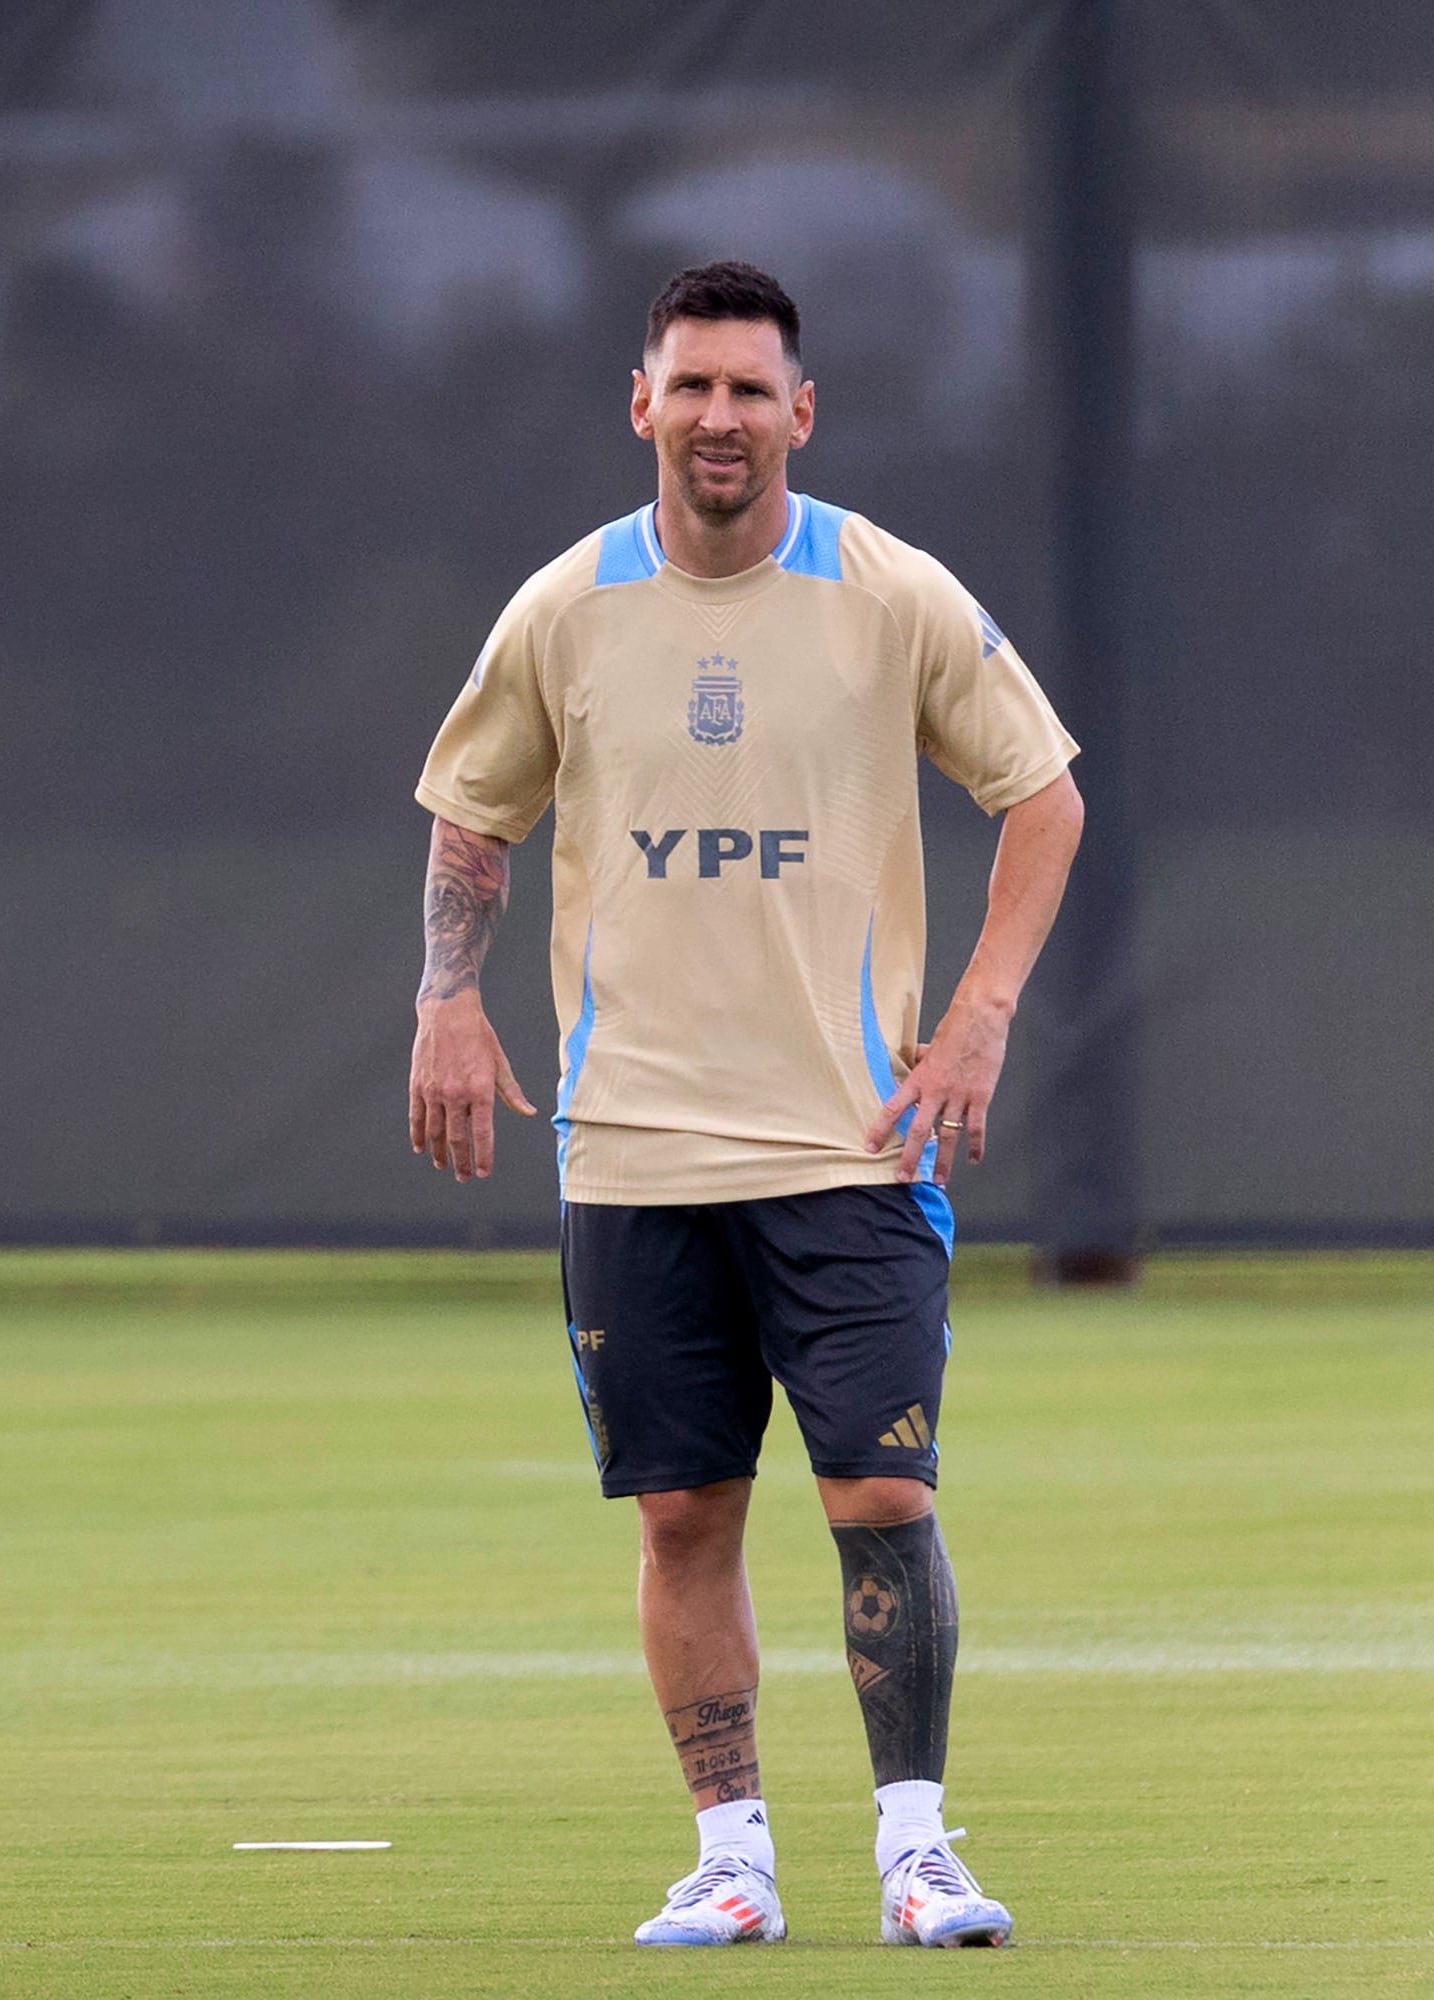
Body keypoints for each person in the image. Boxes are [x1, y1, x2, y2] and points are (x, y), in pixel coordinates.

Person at [405, 261, 1082, 1949]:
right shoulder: (566, 608)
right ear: (641, 402)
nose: (721, 417)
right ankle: (731, 1858)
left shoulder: (889, 591)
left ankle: (917, 1853)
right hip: (630, 1152)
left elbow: (1044, 797)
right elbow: (473, 814)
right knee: (685, 1511)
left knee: (883, 1498)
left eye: (750, 390)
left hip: (846, 1145)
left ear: (802, 411)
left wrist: (978, 1020)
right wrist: (442, 1001)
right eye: (690, 386)